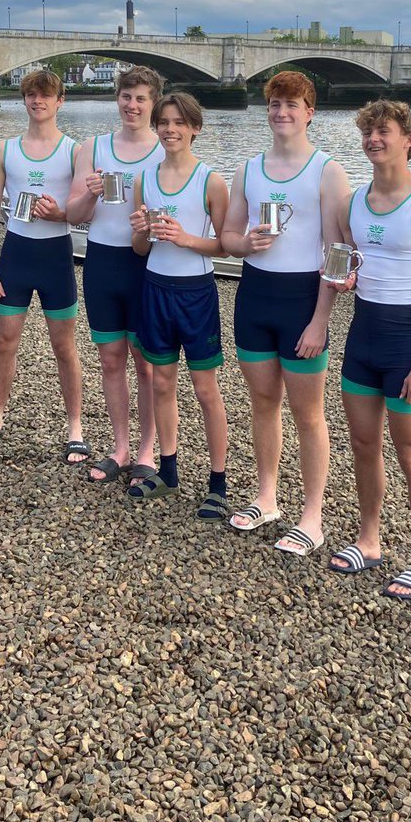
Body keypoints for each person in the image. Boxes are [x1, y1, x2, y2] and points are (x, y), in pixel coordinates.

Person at [328, 100, 411, 603]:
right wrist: (343, 278)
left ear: (409, 138)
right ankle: (370, 539)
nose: (373, 140)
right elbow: (344, 262)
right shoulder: (353, 203)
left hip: (407, 342)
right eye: (367, 132)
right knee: (363, 447)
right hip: (362, 338)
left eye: (383, 131)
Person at [221, 71, 350, 557]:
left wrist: (321, 320)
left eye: (292, 104)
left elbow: (338, 251)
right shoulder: (248, 170)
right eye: (275, 104)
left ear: (309, 111)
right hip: (254, 296)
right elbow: (229, 238)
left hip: (302, 301)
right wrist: (245, 242)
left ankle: (312, 516)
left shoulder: (327, 171)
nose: (282, 113)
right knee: (262, 404)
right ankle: (266, 497)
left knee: (309, 414)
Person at [0, 70, 88, 465]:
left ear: (60, 101)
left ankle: (75, 428)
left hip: (55, 258)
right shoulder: (4, 150)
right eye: (31, 95)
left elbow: (81, 212)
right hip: (15, 256)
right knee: (5, 341)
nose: (38, 101)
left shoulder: (74, 152)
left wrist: (59, 213)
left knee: (64, 347)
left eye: (46, 95)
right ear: (23, 99)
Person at [127, 92, 231, 521]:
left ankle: (218, 483)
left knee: (206, 390)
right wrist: (142, 231)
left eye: (178, 123)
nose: (170, 130)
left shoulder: (211, 180)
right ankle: (168, 472)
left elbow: (225, 244)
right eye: (163, 122)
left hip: (195, 293)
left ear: (195, 128)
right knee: (161, 384)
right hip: (155, 288)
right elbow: (139, 249)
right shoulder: (143, 180)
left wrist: (187, 238)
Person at [67, 66, 165, 488]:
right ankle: (119, 447)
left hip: (147, 263)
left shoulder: (165, 149)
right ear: (117, 99)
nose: (132, 105)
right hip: (103, 260)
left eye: (142, 98)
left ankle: (147, 450)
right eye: (127, 96)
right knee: (110, 359)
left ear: (154, 103)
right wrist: (88, 191)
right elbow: (74, 215)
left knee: (146, 363)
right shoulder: (94, 146)